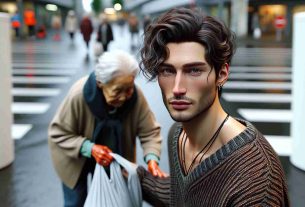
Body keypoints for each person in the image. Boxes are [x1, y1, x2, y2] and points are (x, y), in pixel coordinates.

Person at [137, 8, 290, 206]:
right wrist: (136, 176)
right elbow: (182, 197)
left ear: (222, 73)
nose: (177, 88)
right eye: (167, 70)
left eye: (194, 70)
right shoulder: (178, 135)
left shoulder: (256, 180)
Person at [48, 50, 166, 207]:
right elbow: (59, 132)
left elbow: (149, 131)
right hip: (75, 161)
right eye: (117, 91)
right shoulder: (78, 95)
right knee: (74, 202)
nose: (124, 97)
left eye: (129, 89)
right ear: (100, 83)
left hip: (113, 159)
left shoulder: (136, 98)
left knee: (117, 201)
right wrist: (89, 148)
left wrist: (152, 158)